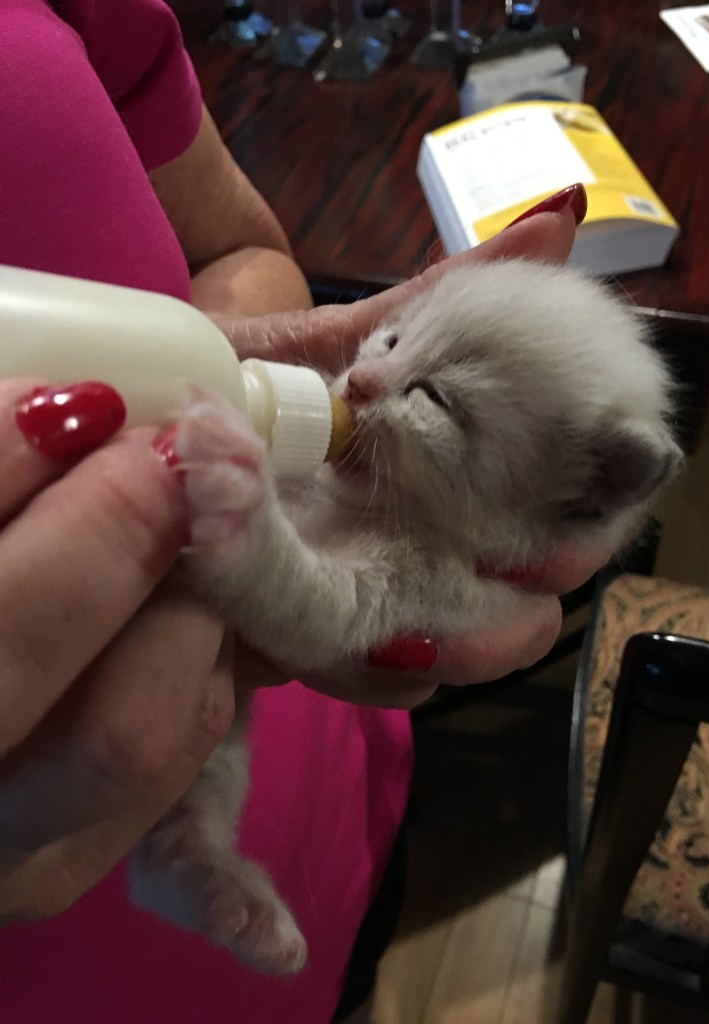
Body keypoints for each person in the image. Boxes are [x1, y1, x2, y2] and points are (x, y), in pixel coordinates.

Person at [0, 1, 605, 1021]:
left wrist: (261, 366)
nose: (362, 379)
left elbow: (240, 246)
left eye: (431, 387)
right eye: (393, 338)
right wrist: (261, 525)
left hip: (333, 790)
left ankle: (194, 847)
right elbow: (307, 595)